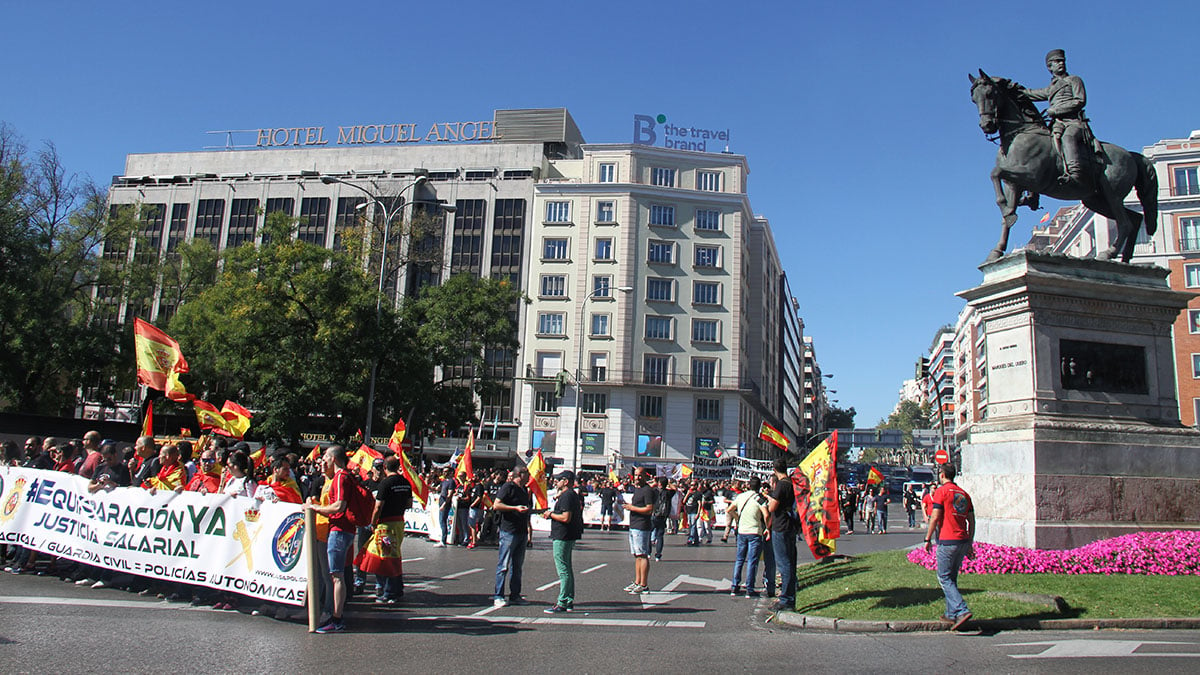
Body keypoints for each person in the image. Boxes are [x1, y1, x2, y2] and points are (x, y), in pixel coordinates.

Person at [304, 446, 355, 633]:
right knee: (333, 575)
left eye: (325, 457)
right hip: (338, 530)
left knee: (336, 576)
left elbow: (339, 507)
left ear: (333, 458)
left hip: (339, 530)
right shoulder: (339, 477)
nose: (322, 461)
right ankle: (333, 615)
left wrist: (316, 509)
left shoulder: (340, 477)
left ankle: (335, 618)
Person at [1023, 49, 1091, 185]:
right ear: (1050, 66)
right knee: (1037, 146)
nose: (1061, 63)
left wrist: (1056, 110)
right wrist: (1013, 89)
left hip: (1074, 123)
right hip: (1057, 124)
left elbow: (1080, 100)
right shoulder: (1051, 88)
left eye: (1062, 61)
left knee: (1068, 137)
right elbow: (1032, 94)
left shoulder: (1074, 80)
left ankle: (1075, 173)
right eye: (1057, 61)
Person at [923, 463, 975, 631]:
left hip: (947, 539)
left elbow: (936, 516)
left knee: (943, 577)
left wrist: (927, 538)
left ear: (943, 475)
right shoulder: (964, 494)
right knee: (952, 578)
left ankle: (961, 610)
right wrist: (970, 542)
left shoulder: (941, 491)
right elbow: (971, 520)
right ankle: (950, 614)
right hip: (962, 540)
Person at [357, 456, 412, 604]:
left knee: (386, 558)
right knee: (395, 556)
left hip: (385, 525)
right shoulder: (406, 483)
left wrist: (373, 522)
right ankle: (397, 590)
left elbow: (378, 507)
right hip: (399, 523)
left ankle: (389, 593)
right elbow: (409, 504)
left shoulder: (385, 484)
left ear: (385, 468)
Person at [543, 470, 584, 613]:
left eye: (559, 479)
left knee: (563, 570)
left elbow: (566, 517)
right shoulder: (569, 495)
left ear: (566, 481)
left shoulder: (567, 496)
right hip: (567, 535)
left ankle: (562, 601)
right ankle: (568, 600)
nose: (556, 481)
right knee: (567, 568)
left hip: (563, 535)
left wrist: (551, 514)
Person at [492, 468, 532, 607]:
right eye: (527, 474)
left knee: (517, 566)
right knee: (503, 565)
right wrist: (514, 508)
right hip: (508, 531)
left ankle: (515, 595)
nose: (529, 477)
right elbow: (496, 504)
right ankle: (498, 595)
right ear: (520, 475)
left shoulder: (524, 490)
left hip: (521, 531)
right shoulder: (508, 487)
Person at [765, 458, 798, 612]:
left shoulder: (781, 485)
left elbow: (772, 507)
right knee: (790, 562)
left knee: (783, 563)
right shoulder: (791, 484)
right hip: (790, 525)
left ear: (774, 470)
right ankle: (790, 596)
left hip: (781, 526)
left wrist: (769, 498)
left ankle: (786, 599)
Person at [727, 476, 768, 597]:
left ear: (749, 485)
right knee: (752, 561)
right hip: (755, 531)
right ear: (759, 487)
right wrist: (767, 527)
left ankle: (735, 586)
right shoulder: (759, 498)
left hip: (742, 531)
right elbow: (766, 514)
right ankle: (749, 588)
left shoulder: (741, 496)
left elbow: (729, 509)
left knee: (739, 559)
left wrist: (737, 518)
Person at [623, 467, 656, 594]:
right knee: (637, 555)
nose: (637, 478)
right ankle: (637, 581)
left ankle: (644, 584)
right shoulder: (638, 489)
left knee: (643, 555)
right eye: (636, 475)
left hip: (642, 526)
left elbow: (649, 509)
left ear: (645, 476)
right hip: (634, 525)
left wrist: (632, 508)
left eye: (640, 475)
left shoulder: (647, 490)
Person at [437, 471, 456, 546]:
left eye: (446, 472)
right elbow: (438, 489)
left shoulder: (451, 482)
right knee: (441, 520)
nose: (444, 473)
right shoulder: (443, 481)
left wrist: (444, 505)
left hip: (445, 503)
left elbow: (450, 494)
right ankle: (442, 539)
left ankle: (443, 540)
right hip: (441, 501)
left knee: (443, 520)